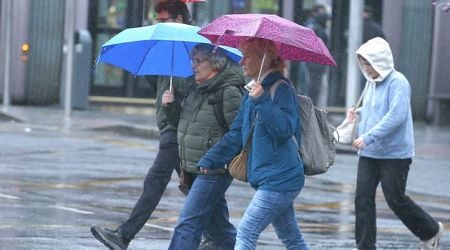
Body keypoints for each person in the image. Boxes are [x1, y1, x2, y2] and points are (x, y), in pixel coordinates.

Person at [90, 1, 194, 249]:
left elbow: (193, 96)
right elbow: (159, 87)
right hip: (170, 125)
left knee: (155, 181)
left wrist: (173, 102)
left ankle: (124, 235)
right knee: (198, 188)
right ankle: (221, 237)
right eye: (156, 20)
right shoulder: (165, 49)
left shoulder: (190, 50)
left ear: (179, 19)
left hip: (178, 129)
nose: (158, 24)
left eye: (163, 19)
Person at [198, 38, 309, 249]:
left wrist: (263, 101)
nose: (242, 62)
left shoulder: (281, 88)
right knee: (291, 238)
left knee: (246, 232)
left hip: (280, 178)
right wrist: (210, 159)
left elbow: (285, 130)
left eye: (247, 57)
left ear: (264, 59)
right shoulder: (252, 92)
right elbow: (237, 133)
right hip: (270, 178)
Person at [347, 37, 444, 250]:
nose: (366, 68)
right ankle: (365, 246)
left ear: (380, 61)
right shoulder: (370, 82)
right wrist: (359, 113)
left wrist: (368, 136)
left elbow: (396, 116)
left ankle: (430, 230)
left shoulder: (398, 82)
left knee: (396, 200)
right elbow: (375, 109)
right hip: (369, 153)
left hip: (395, 154)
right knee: (362, 199)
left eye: (369, 64)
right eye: (363, 64)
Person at [162, 43, 245, 250]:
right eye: (193, 60)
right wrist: (170, 107)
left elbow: (240, 133)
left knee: (188, 223)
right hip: (194, 169)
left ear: (215, 64)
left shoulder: (228, 93)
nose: (193, 65)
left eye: (198, 61)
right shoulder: (196, 90)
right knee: (220, 231)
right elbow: (185, 126)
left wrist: (214, 157)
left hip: (213, 170)